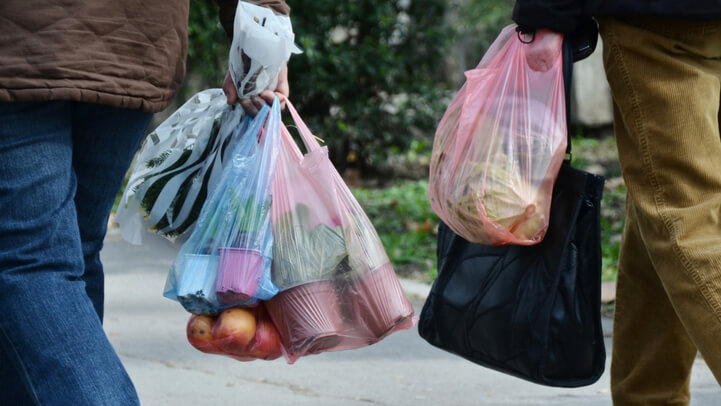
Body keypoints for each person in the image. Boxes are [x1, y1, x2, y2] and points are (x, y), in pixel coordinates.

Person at [0, 0, 289, 403]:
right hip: (134, 42)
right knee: (71, 256)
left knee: (31, 261)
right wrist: (263, 31)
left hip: (16, 44)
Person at [513, 1, 721, 403]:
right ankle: (648, 396)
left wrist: (547, 12)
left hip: (661, 23)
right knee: (664, 209)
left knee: (684, 216)